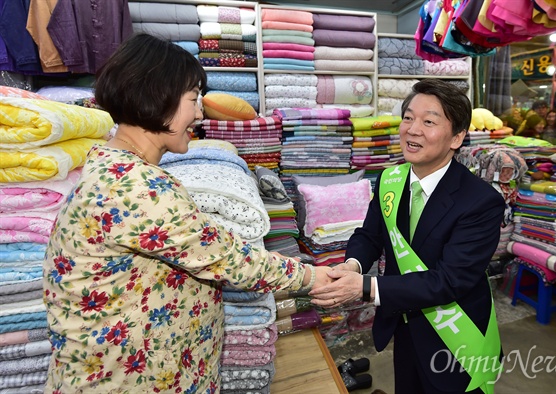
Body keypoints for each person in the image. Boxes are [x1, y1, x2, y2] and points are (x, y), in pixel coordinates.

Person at [42, 33, 332, 393]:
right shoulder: (133, 186)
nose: (199, 113)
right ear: (155, 95)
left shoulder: (117, 168)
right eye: (193, 99)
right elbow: (227, 258)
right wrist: (312, 278)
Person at [310, 79, 505, 394]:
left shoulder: (480, 201)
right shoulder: (391, 178)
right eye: (408, 118)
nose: (412, 129)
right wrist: (354, 265)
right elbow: (370, 235)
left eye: (429, 121)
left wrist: (364, 288)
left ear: (457, 137)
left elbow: (450, 281)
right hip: (404, 325)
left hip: (454, 339)